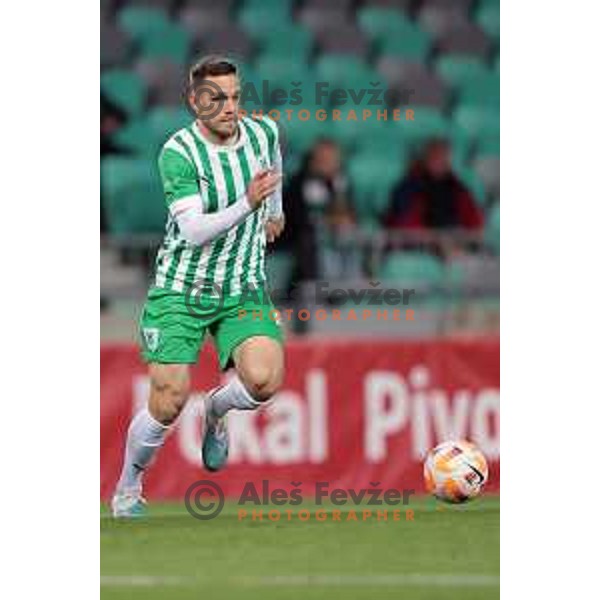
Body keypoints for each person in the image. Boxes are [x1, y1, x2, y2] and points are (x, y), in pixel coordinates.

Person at [111, 56, 286, 517]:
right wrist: (250, 204)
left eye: (235, 97)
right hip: (181, 290)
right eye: (217, 98)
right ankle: (128, 486)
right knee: (168, 400)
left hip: (243, 286)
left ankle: (216, 409)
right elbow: (193, 231)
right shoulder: (179, 153)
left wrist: (275, 208)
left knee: (265, 379)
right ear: (194, 101)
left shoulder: (263, 133)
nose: (229, 107)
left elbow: (274, 162)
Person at [280, 138, 357, 286]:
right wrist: (328, 221)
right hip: (299, 239)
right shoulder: (299, 182)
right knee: (315, 240)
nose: (327, 163)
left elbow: (350, 211)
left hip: (334, 235)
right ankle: (318, 290)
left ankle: (351, 287)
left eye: (332, 159)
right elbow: (297, 218)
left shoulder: (342, 181)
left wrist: (344, 219)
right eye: (323, 159)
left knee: (350, 235)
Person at [384, 139, 484, 232]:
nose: (440, 161)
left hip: (452, 240)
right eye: (435, 156)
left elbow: (474, 222)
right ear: (426, 158)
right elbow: (402, 224)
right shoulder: (409, 187)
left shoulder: (457, 188)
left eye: (444, 156)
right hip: (418, 244)